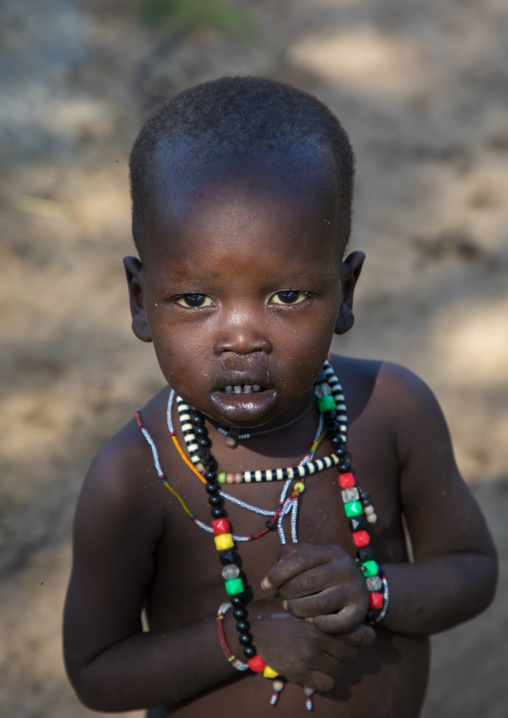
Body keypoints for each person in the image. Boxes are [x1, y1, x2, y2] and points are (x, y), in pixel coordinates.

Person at [63, 76, 498, 718]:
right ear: (139, 301)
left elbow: (472, 571)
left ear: (346, 292)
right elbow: (98, 673)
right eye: (194, 300)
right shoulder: (135, 476)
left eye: (287, 296)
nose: (241, 338)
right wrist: (240, 638)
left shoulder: (391, 410)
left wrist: (373, 590)